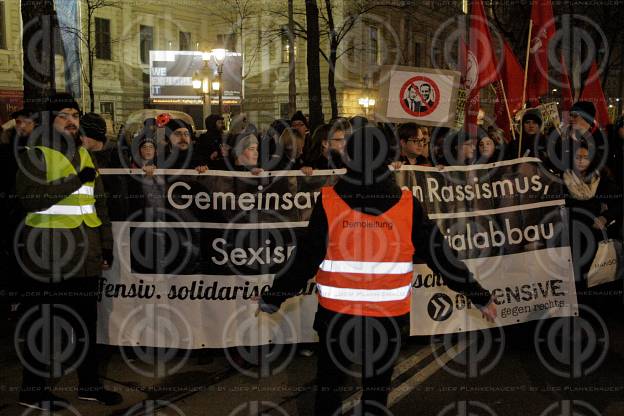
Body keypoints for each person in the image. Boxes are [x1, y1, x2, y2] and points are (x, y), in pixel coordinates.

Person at [258, 126, 496, 416]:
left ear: (348, 157)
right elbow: (442, 257)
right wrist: (479, 295)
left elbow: (305, 258)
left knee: (330, 386)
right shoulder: (408, 206)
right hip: (388, 321)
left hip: (337, 318)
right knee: (376, 391)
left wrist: (274, 295)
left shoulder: (330, 202)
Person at [15, 93, 122, 410]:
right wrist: (75, 180)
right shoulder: (36, 154)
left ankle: (89, 386)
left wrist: (105, 245)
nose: (72, 120)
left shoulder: (84, 155)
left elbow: (98, 203)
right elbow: (31, 199)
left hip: (86, 258)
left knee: (86, 327)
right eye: (64, 114)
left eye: (75, 114)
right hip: (50, 257)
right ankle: (32, 391)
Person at [564, 142, 622, 300]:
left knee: (582, 273)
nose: (581, 161)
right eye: (577, 157)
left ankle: (584, 304)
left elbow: (619, 203)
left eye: (585, 157)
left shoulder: (600, 178)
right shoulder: (564, 178)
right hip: (569, 233)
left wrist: (605, 217)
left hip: (591, 233)